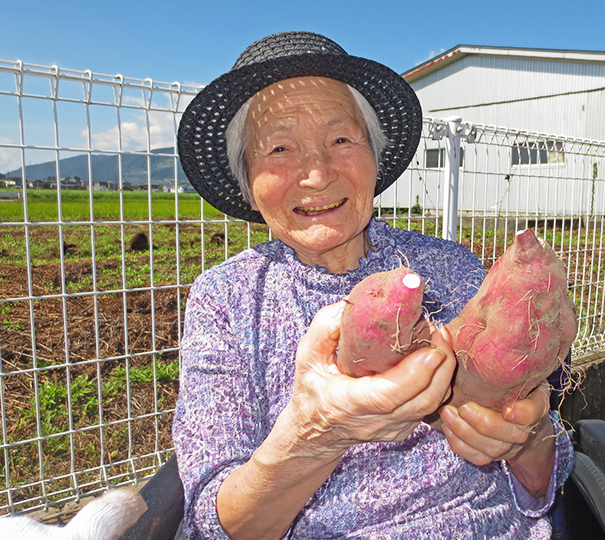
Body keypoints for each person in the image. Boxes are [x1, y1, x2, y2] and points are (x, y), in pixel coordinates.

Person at [173, 31, 573, 540]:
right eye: (279, 148)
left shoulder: (448, 265)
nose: (317, 174)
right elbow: (214, 522)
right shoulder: (225, 297)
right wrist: (318, 434)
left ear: (374, 159)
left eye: (341, 140)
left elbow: (547, 478)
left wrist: (526, 438)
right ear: (249, 183)